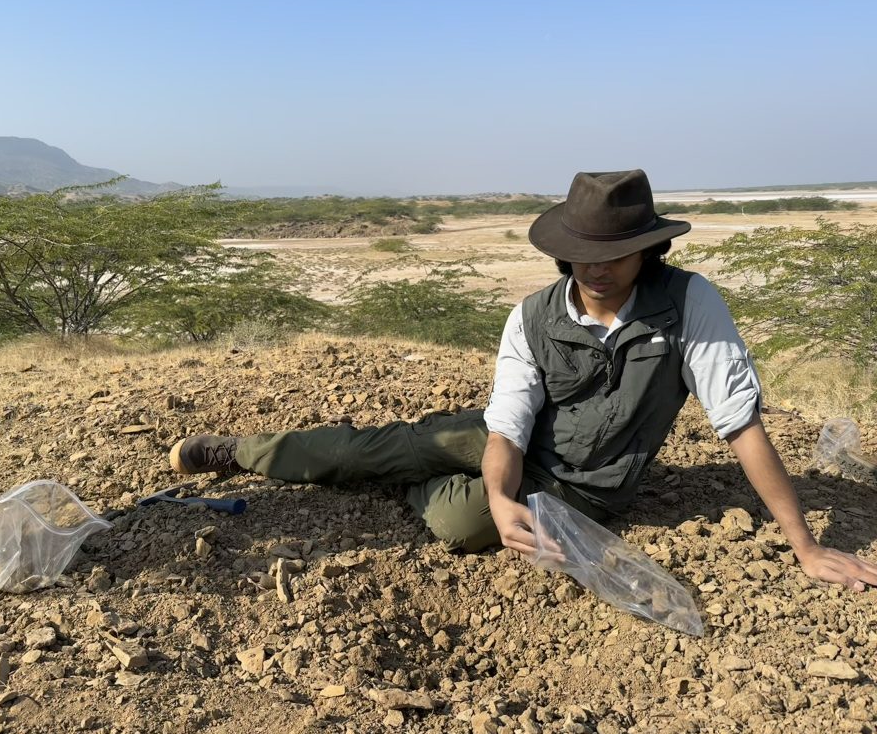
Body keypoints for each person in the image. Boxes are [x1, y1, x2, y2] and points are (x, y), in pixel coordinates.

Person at [170, 169, 877, 591]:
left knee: (462, 520)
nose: (595, 269)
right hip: (504, 440)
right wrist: (504, 485)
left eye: (614, 254)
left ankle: (405, 478)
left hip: (580, 486)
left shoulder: (691, 304)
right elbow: (508, 423)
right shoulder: (532, 315)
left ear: (647, 249)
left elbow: (740, 424)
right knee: (368, 447)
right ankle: (245, 452)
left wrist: (805, 545)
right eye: (581, 255)